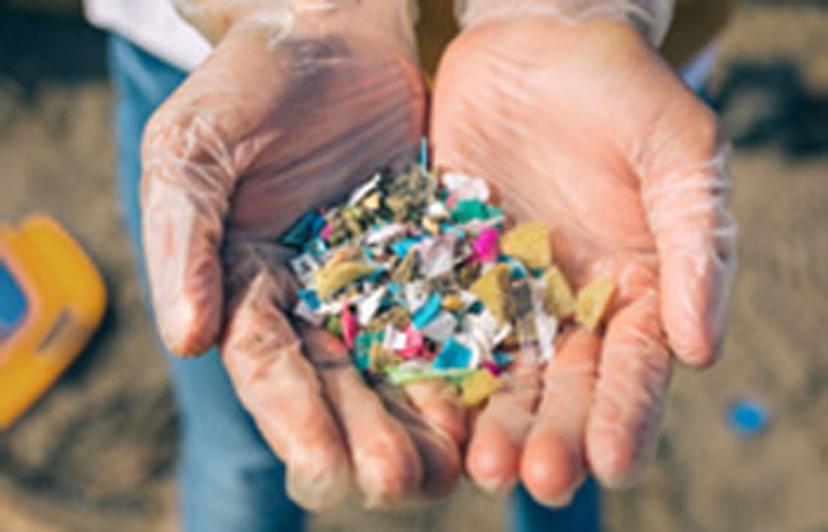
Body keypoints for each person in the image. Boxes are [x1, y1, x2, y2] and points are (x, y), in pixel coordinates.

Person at [85, 0, 737, 530]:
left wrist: (566, 11)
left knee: (561, 449)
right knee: (244, 453)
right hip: (250, 68)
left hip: (591, 90)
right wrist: (309, 13)